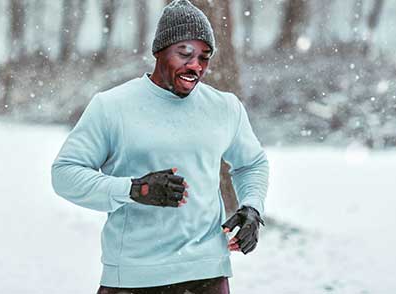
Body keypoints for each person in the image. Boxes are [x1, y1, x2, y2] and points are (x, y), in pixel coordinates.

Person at [51, 0, 269, 293]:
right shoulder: (113, 107)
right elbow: (64, 174)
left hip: (206, 272)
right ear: (159, 51)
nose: (195, 66)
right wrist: (133, 189)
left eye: (204, 57)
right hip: (133, 277)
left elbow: (252, 163)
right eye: (185, 53)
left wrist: (252, 208)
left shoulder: (224, 107)